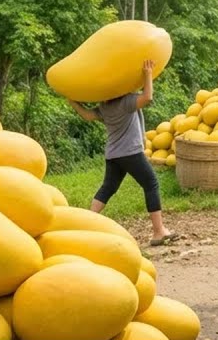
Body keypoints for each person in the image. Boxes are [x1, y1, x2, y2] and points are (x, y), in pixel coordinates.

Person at [68, 59, 178, 246]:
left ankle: (85, 224)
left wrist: (73, 101)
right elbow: (147, 98)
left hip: (113, 155)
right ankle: (159, 232)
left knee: (108, 188)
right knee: (151, 183)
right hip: (130, 153)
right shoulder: (125, 102)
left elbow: (87, 115)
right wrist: (148, 74)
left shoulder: (105, 107)